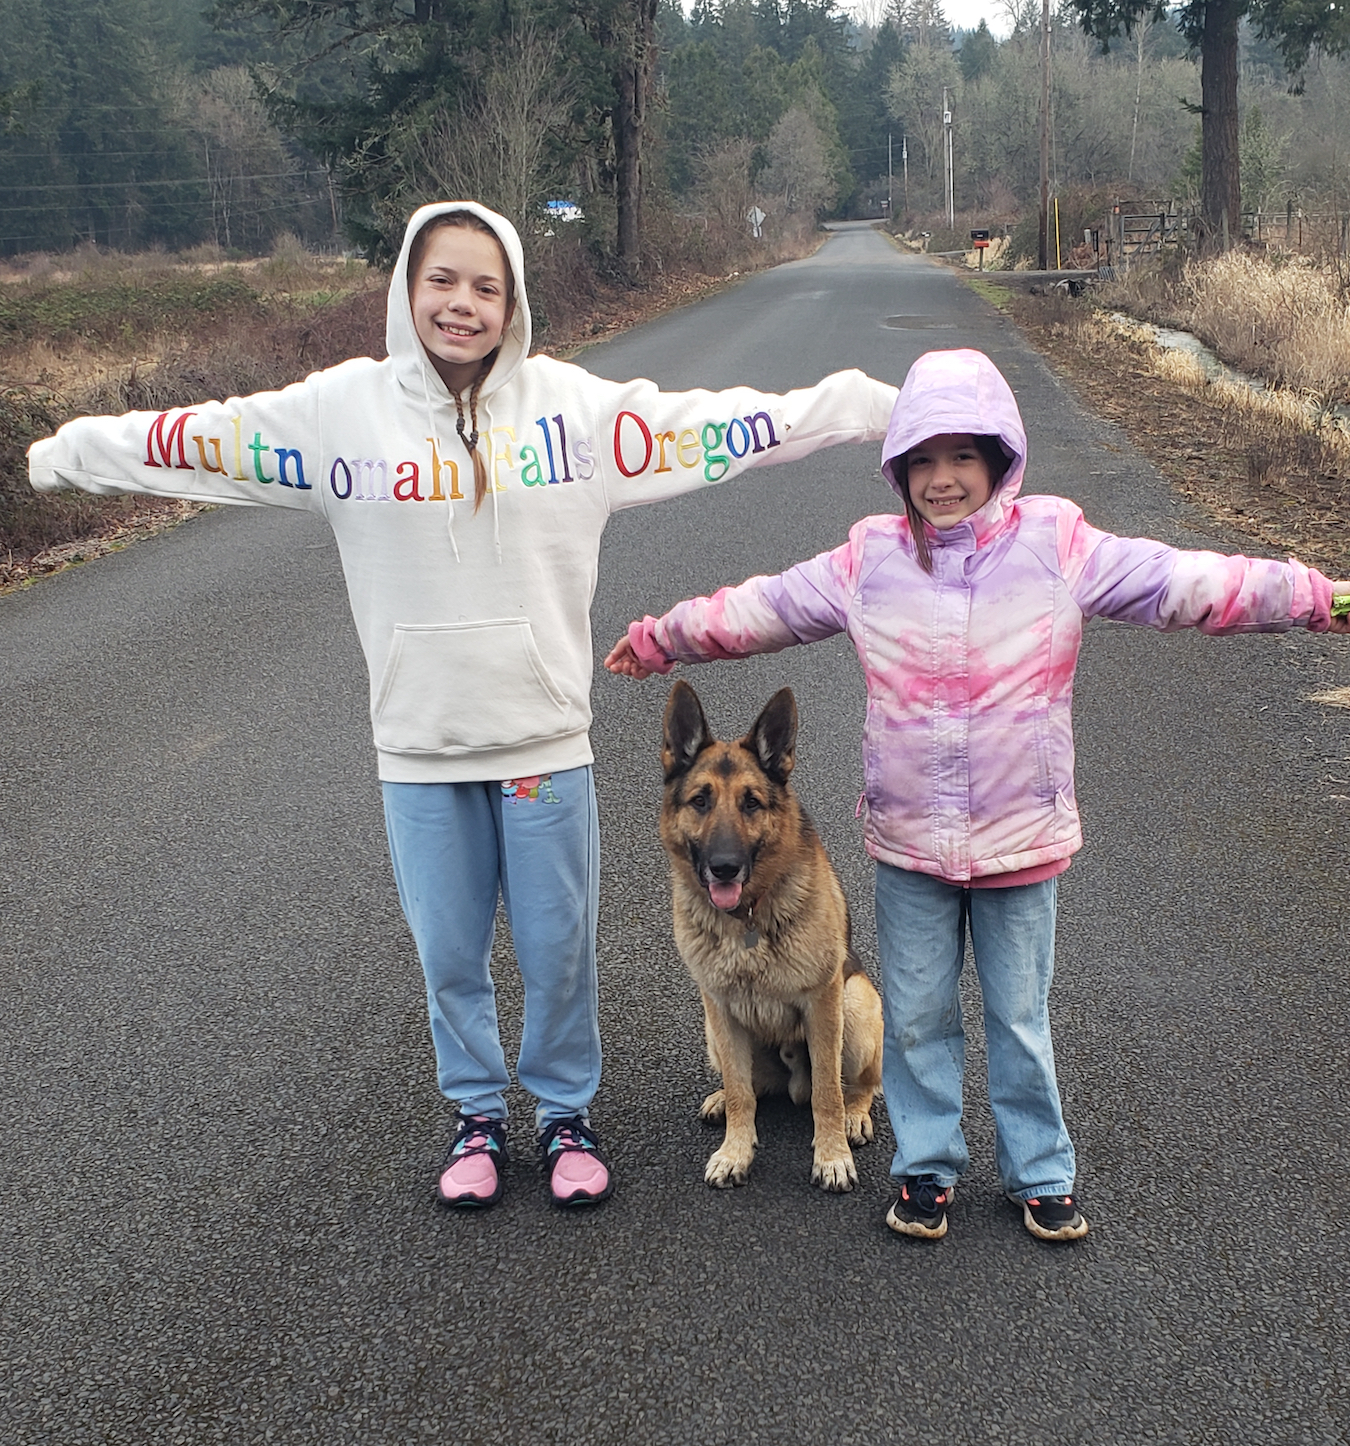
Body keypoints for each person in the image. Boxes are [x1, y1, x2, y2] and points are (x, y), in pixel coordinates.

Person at [28, 200, 899, 1212]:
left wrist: (853, 403)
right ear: (408, 289)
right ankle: (477, 1118)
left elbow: (712, 423)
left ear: (513, 301)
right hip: (420, 752)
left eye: (488, 285)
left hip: (543, 746)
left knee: (559, 954)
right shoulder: (341, 415)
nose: (463, 303)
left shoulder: (571, 413)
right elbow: (210, 440)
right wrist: (83, 449)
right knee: (451, 958)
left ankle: (566, 1117)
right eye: (442, 280)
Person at [606, 346, 1350, 1243]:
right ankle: (925, 1168)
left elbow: (1184, 583)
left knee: (1019, 1020)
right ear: (900, 470)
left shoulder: (1058, 544)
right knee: (917, 1023)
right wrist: (662, 638)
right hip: (911, 844)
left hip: (1020, 841)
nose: (942, 479)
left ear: (1001, 459)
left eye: (963, 457)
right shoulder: (868, 560)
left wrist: (1323, 600)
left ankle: (1040, 1171)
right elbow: (759, 609)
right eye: (922, 460)